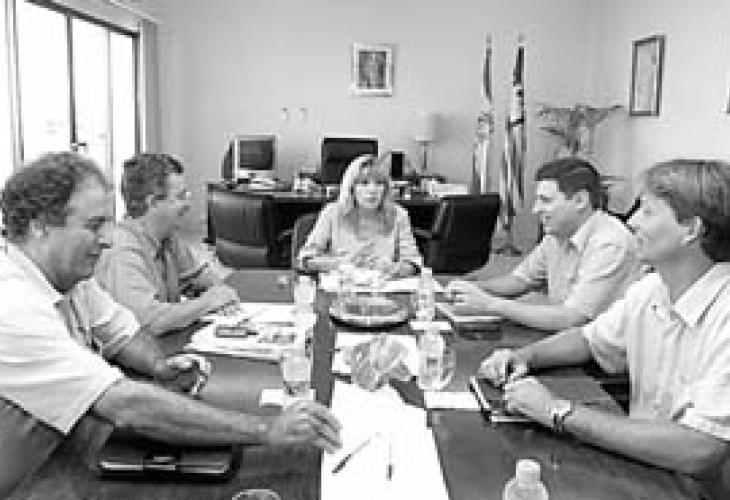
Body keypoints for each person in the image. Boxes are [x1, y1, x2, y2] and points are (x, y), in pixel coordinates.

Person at [0, 153, 341, 497]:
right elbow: (124, 405)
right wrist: (268, 429)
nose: (107, 239)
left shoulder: (72, 279)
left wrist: (160, 366)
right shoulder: (13, 306)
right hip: (27, 480)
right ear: (39, 225)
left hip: (65, 448)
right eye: (94, 225)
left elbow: (124, 333)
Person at [479, 159, 730, 494]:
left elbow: (701, 448)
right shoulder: (653, 288)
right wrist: (525, 356)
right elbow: (588, 339)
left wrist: (557, 411)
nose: (633, 222)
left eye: (647, 212)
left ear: (691, 230)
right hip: (642, 469)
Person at [447, 158, 638, 331]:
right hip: (567, 340)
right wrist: (474, 289)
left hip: (598, 352)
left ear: (580, 200)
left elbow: (571, 319)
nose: (535, 209)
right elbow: (520, 281)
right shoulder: (557, 234)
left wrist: (490, 304)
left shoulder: (610, 243)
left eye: (545, 200)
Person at [96, 153, 240, 336]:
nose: (188, 204)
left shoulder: (167, 238)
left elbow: (202, 277)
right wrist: (208, 302)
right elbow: (149, 322)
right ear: (153, 202)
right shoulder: (121, 251)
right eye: (181, 196)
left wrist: (221, 293)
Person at [297, 154, 422, 277]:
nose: (372, 190)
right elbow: (306, 260)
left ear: (386, 189)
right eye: (364, 183)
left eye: (379, 184)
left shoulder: (398, 215)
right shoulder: (332, 213)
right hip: (341, 285)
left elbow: (413, 263)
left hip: (383, 285)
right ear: (351, 188)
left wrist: (392, 268)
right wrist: (339, 264)